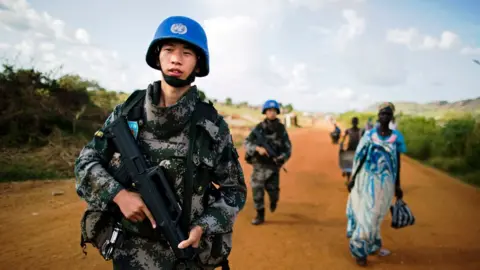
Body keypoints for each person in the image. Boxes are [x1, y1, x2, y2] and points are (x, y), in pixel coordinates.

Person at [74, 16, 247, 270]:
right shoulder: (128, 112)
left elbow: (235, 191)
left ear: (198, 64)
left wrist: (203, 226)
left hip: (185, 255)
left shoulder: (211, 127)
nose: (176, 59)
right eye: (169, 50)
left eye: (187, 53)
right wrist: (119, 195)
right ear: (157, 56)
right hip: (130, 253)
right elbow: (86, 161)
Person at [345, 102, 406, 267]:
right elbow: (359, 157)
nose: (384, 117)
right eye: (382, 114)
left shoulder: (396, 138)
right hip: (367, 180)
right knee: (367, 214)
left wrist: (397, 185)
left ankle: (372, 242)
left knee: (378, 214)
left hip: (386, 182)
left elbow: (397, 163)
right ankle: (360, 250)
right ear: (378, 116)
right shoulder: (369, 135)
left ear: (391, 117)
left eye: (388, 114)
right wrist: (353, 178)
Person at [244, 100, 292, 225]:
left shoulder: (281, 129)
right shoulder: (258, 128)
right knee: (257, 190)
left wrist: (282, 157)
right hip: (259, 165)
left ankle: (273, 201)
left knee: (273, 191)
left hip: (273, 166)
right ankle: (260, 215)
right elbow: (247, 143)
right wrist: (257, 148)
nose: (271, 113)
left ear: (277, 113)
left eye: (274, 111)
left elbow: (288, 148)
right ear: (265, 112)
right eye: (269, 111)